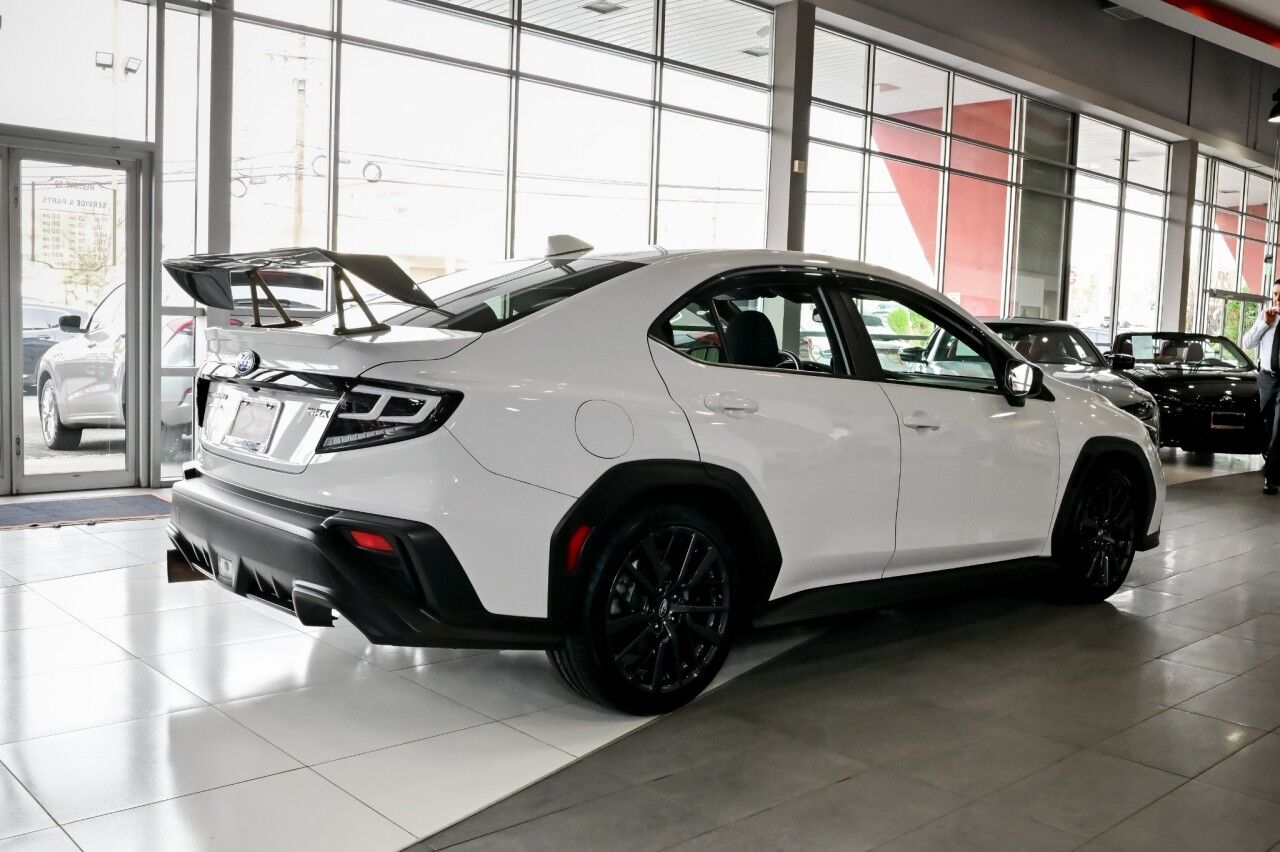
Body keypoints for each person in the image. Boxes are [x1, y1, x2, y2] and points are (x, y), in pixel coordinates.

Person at [1243, 278, 1280, 495]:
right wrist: (1264, 324)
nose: (1277, 298)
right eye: (1275, 294)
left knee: (1278, 427)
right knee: (1266, 425)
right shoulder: (1266, 316)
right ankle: (1273, 463)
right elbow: (1248, 343)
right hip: (1267, 379)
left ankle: (1271, 477)